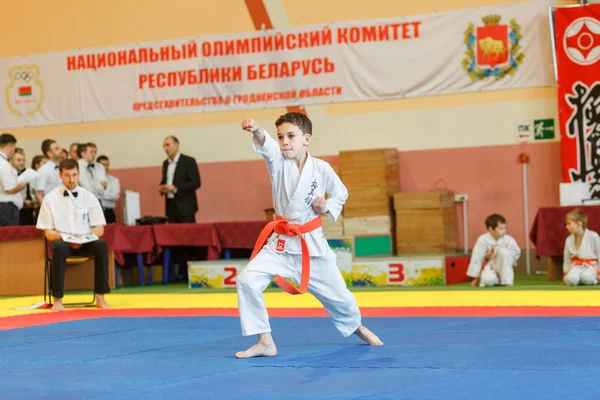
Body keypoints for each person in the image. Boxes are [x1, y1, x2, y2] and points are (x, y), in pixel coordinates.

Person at [235, 113, 382, 359]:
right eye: (281, 137)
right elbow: (266, 144)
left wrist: (326, 208)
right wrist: (257, 130)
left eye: (291, 136)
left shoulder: (322, 169)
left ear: (306, 139)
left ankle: (358, 327)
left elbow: (340, 194)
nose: (284, 142)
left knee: (339, 296)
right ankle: (264, 342)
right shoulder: (277, 162)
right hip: (281, 243)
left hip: (311, 244)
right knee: (247, 280)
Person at [36, 159, 110, 311]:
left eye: (75, 175)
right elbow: (48, 233)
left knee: (101, 246)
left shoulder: (88, 196)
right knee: (58, 247)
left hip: (85, 241)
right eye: (67, 175)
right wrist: (64, 237)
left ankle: (100, 297)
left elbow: (99, 228)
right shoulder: (50, 198)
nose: (71, 179)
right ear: (60, 175)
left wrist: (85, 237)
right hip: (63, 241)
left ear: (79, 174)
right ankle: (58, 300)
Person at [467, 214, 521, 287]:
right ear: (491, 229)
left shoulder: (508, 239)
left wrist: (507, 257)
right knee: (488, 280)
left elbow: (516, 252)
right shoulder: (483, 240)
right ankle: (495, 280)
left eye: (505, 228)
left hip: (505, 265)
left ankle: (507, 283)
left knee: (503, 252)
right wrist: (475, 277)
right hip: (490, 265)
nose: (504, 230)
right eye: (501, 228)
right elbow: (477, 258)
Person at [159, 136, 201, 223]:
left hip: (186, 208)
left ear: (176, 145)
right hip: (170, 207)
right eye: (164, 146)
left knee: (188, 235)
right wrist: (162, 187)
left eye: (168, 145)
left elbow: (196, 183)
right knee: (172, 235)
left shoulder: (189, 161)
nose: (165, 148)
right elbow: (164, 180)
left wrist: (175, 189)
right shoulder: (165, 163)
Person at [563, 209, 600, 286]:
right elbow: (567, 259)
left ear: (579, 224)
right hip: (576, 266)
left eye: (569, 224)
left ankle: (589, 278)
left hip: (591, 266)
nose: (567, 227)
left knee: (587, 278)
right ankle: (579, 278)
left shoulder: (593, 236)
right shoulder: (569, 240)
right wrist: (566, 272)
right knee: (570, 280)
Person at [0, 134, 27, 226]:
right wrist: (22, 186)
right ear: (10, 147)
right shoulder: (4, 164)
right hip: (6, 208)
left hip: (4, 207)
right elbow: (9, 189)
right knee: (9, 238)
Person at [34, 139, 63, 204]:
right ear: (49, 154)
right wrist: (48, 210)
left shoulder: (62, 167)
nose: (61, 150)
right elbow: (38, 194)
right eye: (57, 149)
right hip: (51, 206)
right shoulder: (43, 170)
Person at [97, 155, 121, 224]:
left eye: (107, 164)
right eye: (103, 165)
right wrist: (107, 194)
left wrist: (101, 193)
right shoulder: (93, 180)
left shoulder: (114, 180)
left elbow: (115, 196)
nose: (105, 167)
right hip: (96, 211)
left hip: (108, 211)